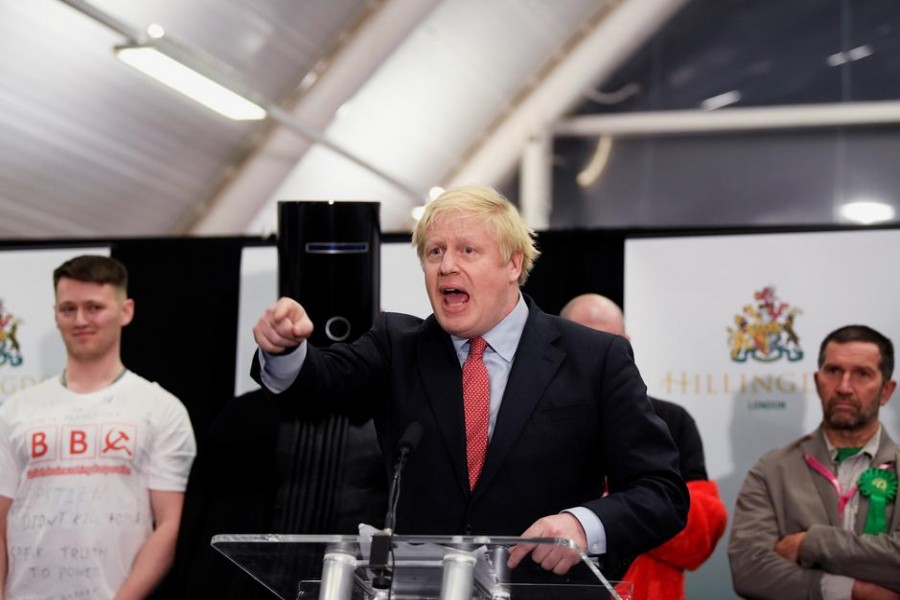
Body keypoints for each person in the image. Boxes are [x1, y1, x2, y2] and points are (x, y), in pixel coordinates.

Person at [251, 185, 688, 578]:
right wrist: (285, 350)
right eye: (435, 252)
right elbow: (319, 382)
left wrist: (582, 525)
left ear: (513, 264)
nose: (446, 267)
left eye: (467, 251)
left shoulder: (593, 357)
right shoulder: (396, 346)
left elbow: (661, 492)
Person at [0, 255, 197, 600]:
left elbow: (171, 523)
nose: (80, 320)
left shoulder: (161, 409)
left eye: (94, 307)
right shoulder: (16, 409)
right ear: (56, 314)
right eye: (68, 309)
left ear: (126, 311)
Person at [560, 293, 728, 600]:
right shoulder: (528, 418)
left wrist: (600, 513)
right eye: (583, 341)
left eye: (608, 342)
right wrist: (639, 507)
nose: (596, 353)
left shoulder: (671, 421)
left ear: (626, 344)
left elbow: (701, 536)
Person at [728, 324, 900, 600]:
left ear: (886, 391)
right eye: (833, 371)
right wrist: (853, 591)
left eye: (862, 374)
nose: (844, 387)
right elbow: (750, 570)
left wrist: (812, 542)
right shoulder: (772, 470)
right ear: (818, 381)